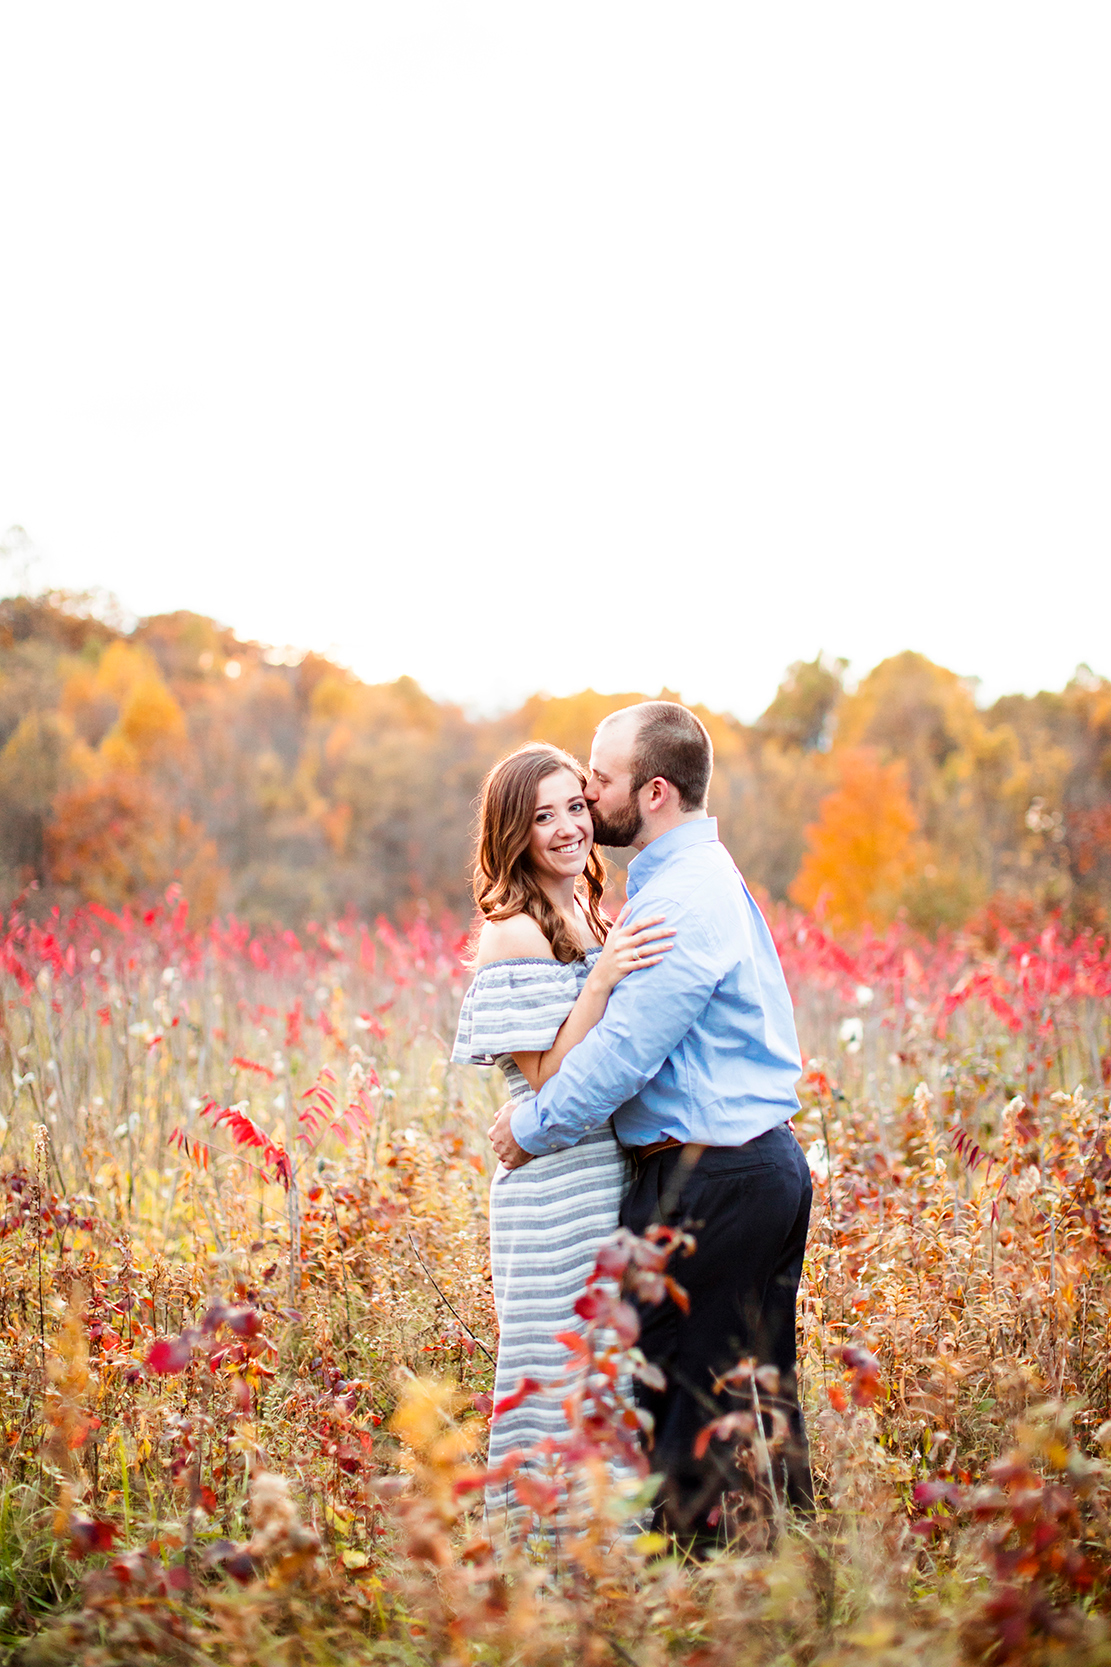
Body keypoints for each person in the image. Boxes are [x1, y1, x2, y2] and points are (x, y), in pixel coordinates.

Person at [489, 702, 812, 1545]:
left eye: (598, 779)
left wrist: (532, 1125)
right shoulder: (689, 877)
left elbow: (628, 1050)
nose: (589, 798)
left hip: (714, 1177)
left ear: (655, 790)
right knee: (753, 1395)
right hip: (744, 1167)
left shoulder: (682, 897)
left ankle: (690, 1601)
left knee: (684, 1402)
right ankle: (787, 1576)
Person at [450, 742, 674, 1532]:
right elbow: (546, 1077)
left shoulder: (587, 911)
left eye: (574, 806)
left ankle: (606, 1563)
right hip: (548, 1190)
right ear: (513, 831)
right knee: (556, 1368)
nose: (566, 827)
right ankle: (540, 1573)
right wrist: (607, 972)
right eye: (541, 816)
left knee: (603, 1369)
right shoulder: (510, 931)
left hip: (601, 1177)